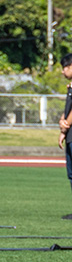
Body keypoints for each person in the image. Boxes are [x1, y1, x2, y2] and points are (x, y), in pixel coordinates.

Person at [58, 53, 72, 219]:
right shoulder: (70, 87)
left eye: (65, 67)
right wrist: (62, 123)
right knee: (71, 175)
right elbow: (67, 109)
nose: (62, 71)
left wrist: (65, 126)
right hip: (70, 136)